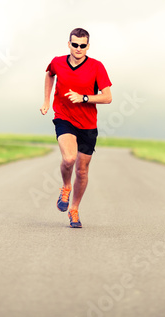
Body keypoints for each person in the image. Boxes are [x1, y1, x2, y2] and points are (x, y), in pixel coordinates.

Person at [40, 28, 112, 228]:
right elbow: (49, 74)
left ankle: (74, 209)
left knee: (81, 171)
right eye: (75, 44)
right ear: (69, 44)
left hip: (88, 124)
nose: (78, 48)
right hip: (64, 116)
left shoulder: (97, 67)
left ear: (88, 46)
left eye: (82, 45)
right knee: (69, 158)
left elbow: (107, 97)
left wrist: (84, 98)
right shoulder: (58, 62)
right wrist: (46, 101)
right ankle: (65, 186)